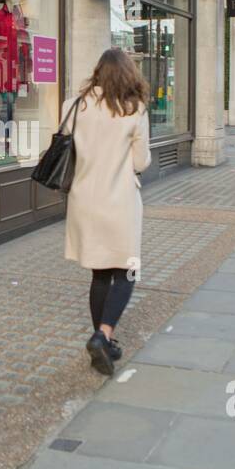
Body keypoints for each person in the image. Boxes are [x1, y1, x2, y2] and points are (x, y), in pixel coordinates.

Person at [63, 48, 151, 377]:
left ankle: (104, 341)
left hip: (84, 200)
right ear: (129, 74)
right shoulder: (134, 109)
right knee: (126, 272)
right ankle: (103, 334)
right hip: (120, 202)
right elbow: (140, 162)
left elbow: (62, 145)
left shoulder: (75, 105)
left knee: (100, 273)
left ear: (98, 72)